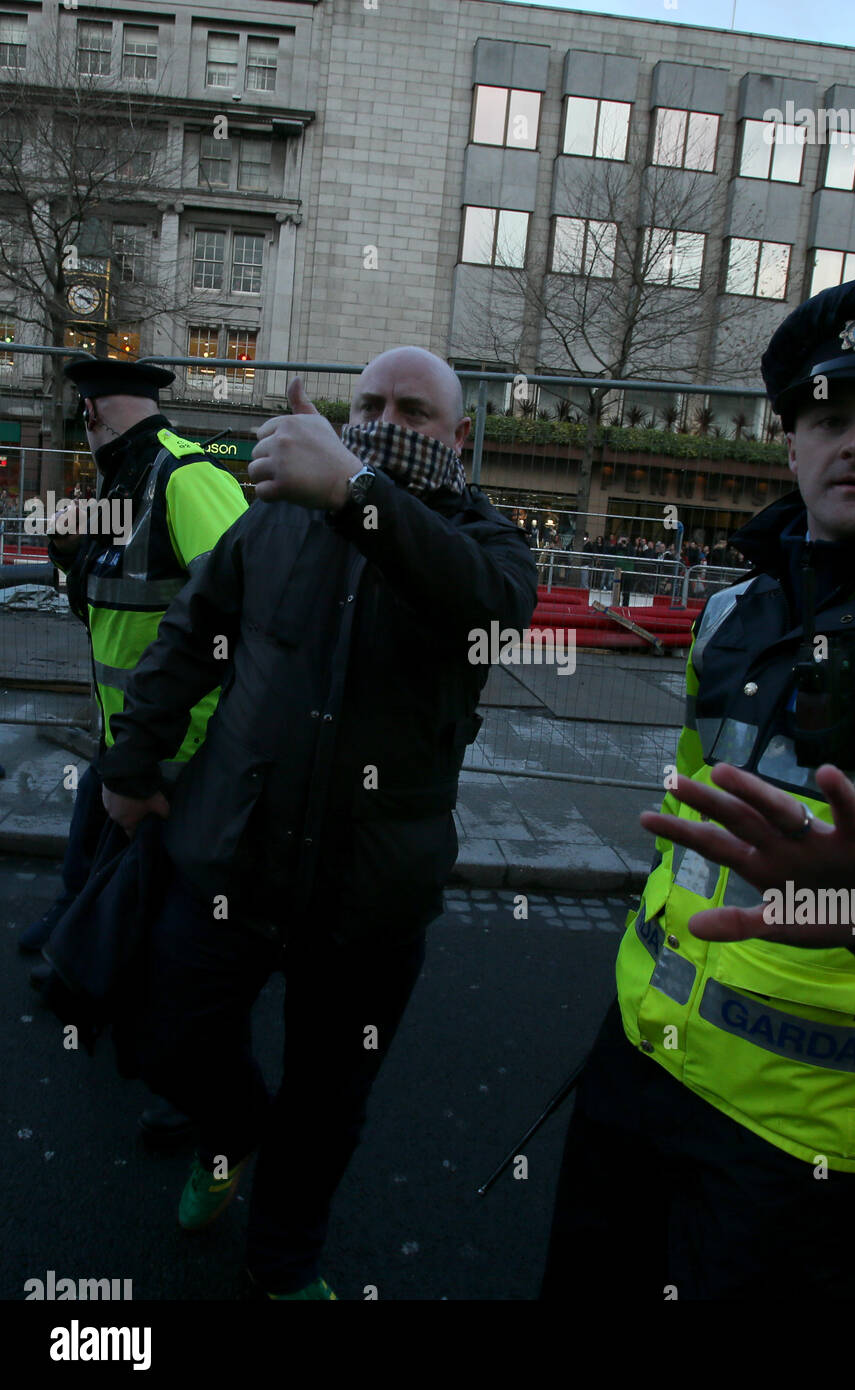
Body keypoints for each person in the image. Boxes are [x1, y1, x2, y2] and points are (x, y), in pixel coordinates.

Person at [541, 276, 855, 1300]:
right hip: (640, 1057)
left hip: (803, 1128)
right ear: (792, 445)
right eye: (830, 417)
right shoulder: (732, 611)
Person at [96, 347, 538, 1300]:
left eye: (414, 411)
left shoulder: (490, 544)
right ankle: (228, 1132)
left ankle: (283, 1262)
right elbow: (186, 641)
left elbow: (493, 609)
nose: (387, 419)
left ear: (458, 437)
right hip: (230, 856)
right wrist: (129, 769)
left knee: (330, 1100)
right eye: (370, 403)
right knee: (172, 1037)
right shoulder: (273, 520)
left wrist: (357, 492)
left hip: (372, 896)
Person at [19, 358, 248, 1146]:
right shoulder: (121, 484)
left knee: (178, 932)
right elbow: (106, 593)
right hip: (131, 744)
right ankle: (80, 964)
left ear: (90, 414)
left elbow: (241, 597)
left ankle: (191, 1087)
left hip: (182, 754)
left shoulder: (182, 474)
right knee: (114, 886)